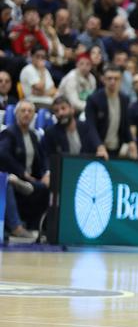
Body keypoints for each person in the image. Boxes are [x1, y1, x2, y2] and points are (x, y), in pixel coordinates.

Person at [0, 100, 49, 229]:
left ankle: (36, 227)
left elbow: (42, 158)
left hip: (30, 179)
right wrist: (22, 172)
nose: (26, 114)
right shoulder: (9, 133)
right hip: (14, 177)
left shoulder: (33, 135)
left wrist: (46, 174)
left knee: (45, 187)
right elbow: (3, 155)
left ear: (33, 115)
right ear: (16, 114)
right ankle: (17, 226)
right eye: (23, 111)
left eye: (30, 111)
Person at [85, 65, 136, 159]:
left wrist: (131, 142)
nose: (113, 82)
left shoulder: (124, 99)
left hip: (115, 149)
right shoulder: (93, 99)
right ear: (103, 80)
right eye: (109, 78)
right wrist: (99, 146)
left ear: (121, 80)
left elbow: (125, 125)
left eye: (116, 79)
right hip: (96, 149)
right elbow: (90, 126)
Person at [42, 95, 106, 159]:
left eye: (63, 108)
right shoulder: (51, 133)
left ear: (72, 109)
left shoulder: (87, 128)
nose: (60, 113)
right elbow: (48, 158)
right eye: (56, 111)